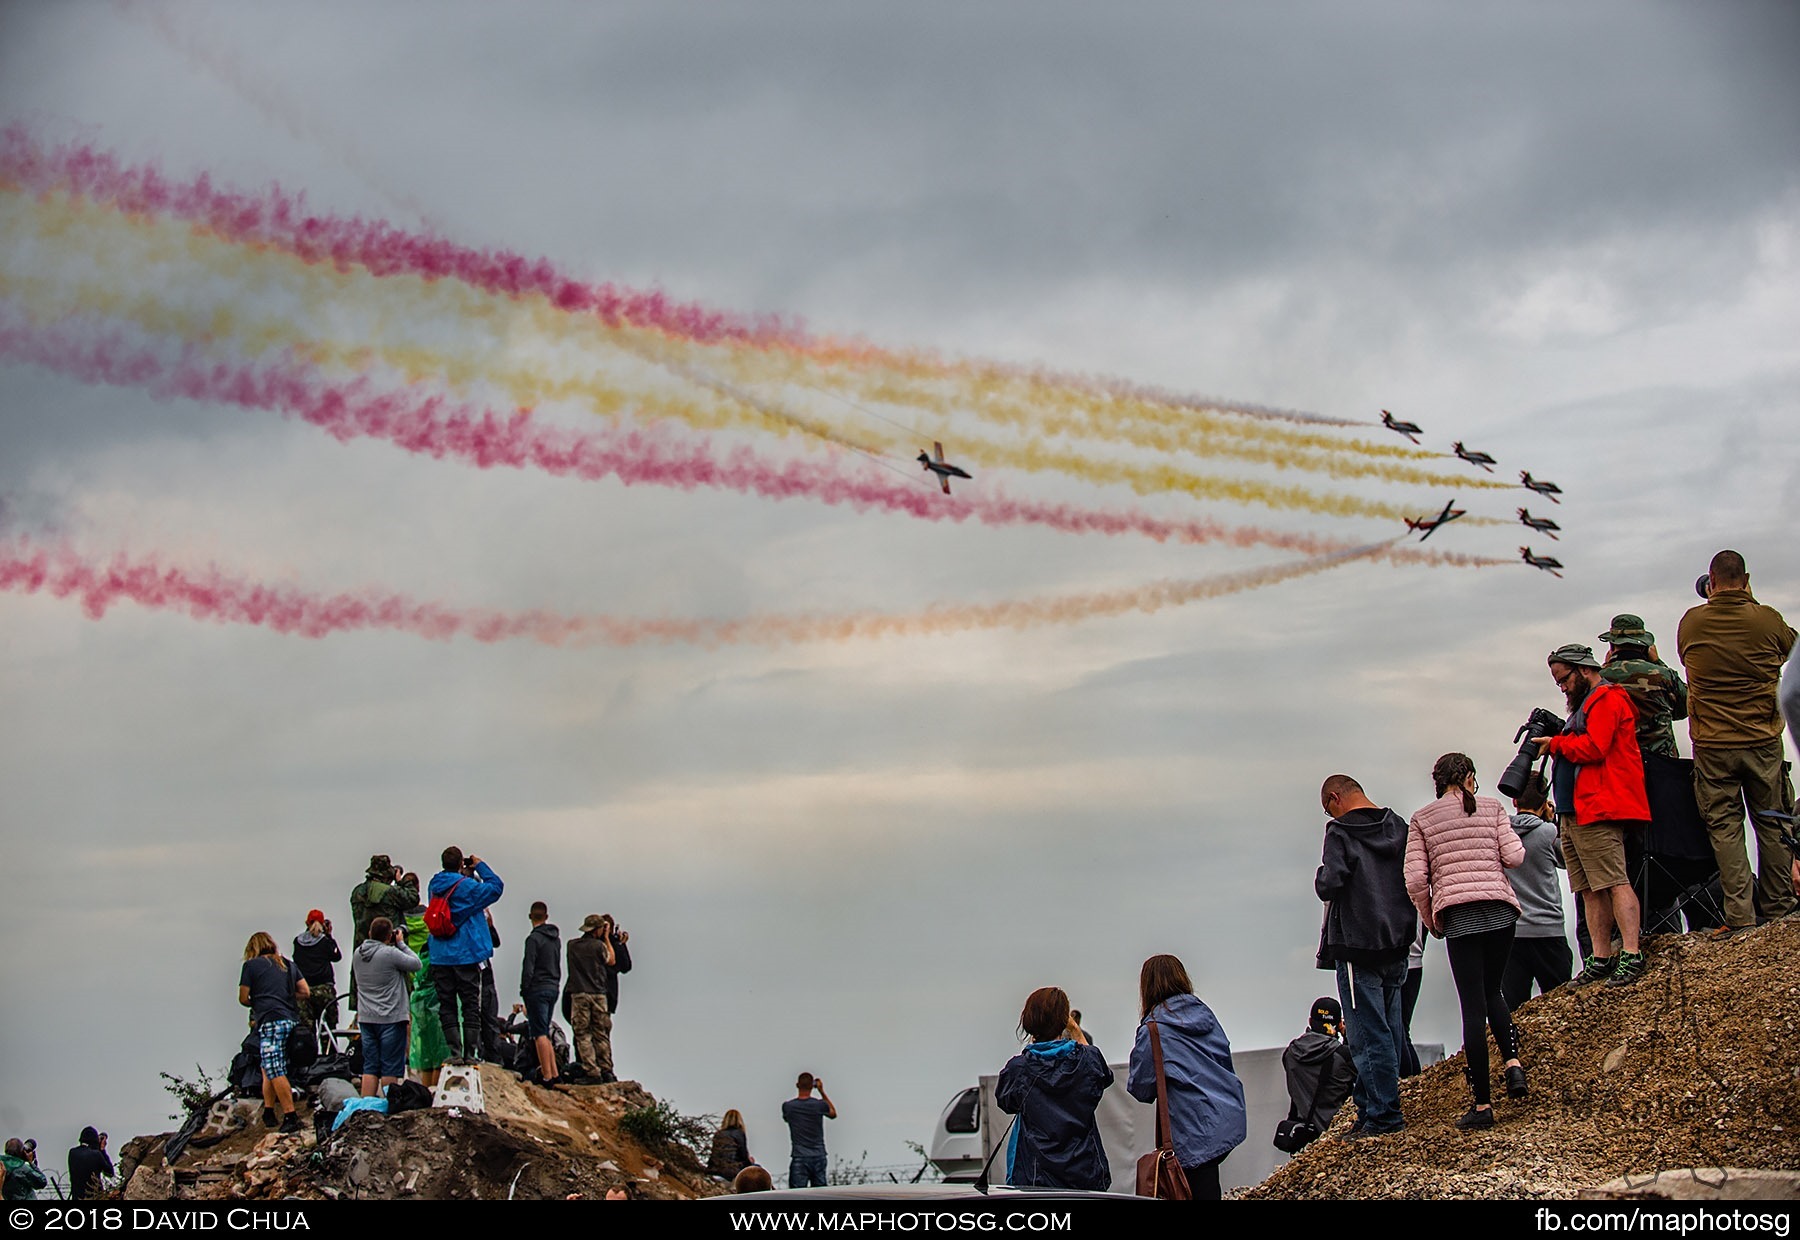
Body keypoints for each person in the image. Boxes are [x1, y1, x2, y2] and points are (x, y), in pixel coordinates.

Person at [1678, 550, 1798, 932]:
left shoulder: (1692, 623)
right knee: (1774, 823)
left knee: (1725, 828)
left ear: (1710, 583)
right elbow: (1794, 650)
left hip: (1713, 745)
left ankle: (1741, 917)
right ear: (1746, 579)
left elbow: (1686, 656)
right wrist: (1751, 604)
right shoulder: (1767, 619)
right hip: (1762, 739)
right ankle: (1779, 907)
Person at [1407, 753, 1528, 1129]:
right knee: (1495, 991)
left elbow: (1414, 881)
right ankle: (1514, 1065)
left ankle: (1482, 1106)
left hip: (1459, 919)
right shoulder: (1493, 808)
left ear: (1438, 782)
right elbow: (1515, 856)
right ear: (1470, 777)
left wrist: (1433, 920)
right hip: (1499, 912)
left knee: (1472, 1008)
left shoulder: (1423, 819)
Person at [1535, 644, 1652, 986]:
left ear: (1583, 670)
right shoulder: (1585, 705)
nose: (1562, 687)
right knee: (1588, 888)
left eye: (1564, 679)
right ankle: (1601, 956)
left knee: (1614, 880)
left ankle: (1631, 951)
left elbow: (1595, 747)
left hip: (1599, 806)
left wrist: (1555, 744)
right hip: (1575, 809)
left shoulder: (1607, 699)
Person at [1315, 774, 1416, 1137]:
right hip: (1397, 941)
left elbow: (1331, 882)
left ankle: (1385, 1116)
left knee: (1365, 1035)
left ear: (1335, 797)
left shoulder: (1340, 833)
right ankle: (1368, 1109)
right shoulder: (1398, 826)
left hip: (1358, 945)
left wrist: (1319, 876)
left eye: (1327, 806)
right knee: (1389, 1030)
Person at [1127, 955, 1246, 1200]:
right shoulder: (1206, 1014)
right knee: (1209, 1186)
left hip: (1192, 1128)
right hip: (1226, 1116)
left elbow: (1141, 1088)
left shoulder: (1153, 1029)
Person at [996, 987, 1112, 1191]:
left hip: (1035, 1180)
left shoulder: (1019, 1069)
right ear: (1063, 1020)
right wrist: (1075, 1029)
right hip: (1086, 1176)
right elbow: (1102, 1073)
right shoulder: (1087, 1061)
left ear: (1029, 1022)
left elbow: (1006, 1102)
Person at [1502, 772, 1575, 1011]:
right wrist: (1553, 822)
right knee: (1560, 1008)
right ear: (1545, 802)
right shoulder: (1548, 833)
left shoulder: (1502, 834)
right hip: (1548, 929)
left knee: (1514, 1009)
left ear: (1514, 800)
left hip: (1512, 932)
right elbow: (1567, 860)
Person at [426, 847, 504, 1064]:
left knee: (447, 1004)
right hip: (465, 953)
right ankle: (470, 1054)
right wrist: (479, 865)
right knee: (470, 1004)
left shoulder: (434, 885)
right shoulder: (468, 888)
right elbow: (496, 887)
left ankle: (454, 1053)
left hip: (440, 954)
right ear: (461, 863)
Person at [238, 931, 310, 1134]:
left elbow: (243, 998)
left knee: (275, 1069)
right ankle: (268, 1111)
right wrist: (284, 996)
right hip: (289, 1020)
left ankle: (290, 1115)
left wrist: (260, 1000)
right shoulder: (287, 964)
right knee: (267, 1065)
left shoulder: (250, 966)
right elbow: (305, 991)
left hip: (269, 1021)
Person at [1599, 614, 1689, 759]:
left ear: (1612, 645)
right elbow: (1684, 708)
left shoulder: (1599, 678)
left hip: (1617, 763)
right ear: (1645, 647)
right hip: (1662, 762)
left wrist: (1605, 666)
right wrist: (1658, 662)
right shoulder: (1663, 675)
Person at [351, 916, 422, 1098]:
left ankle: (366, 1107)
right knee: (390, 1066)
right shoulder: (389, 954)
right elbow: (416, 964)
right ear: (389, 935)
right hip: (391, 1017)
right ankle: (389, 1105)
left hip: (367, 1017)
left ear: (369, 933)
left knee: (370, 1067)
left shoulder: (358, 954)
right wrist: (401, 944)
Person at [1280, 998, 1357, 1139]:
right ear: (1339, 1024)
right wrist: (1348, 1037)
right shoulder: (1343, 1056)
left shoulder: (1290, 1053)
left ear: (1310, 1021)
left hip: (1303, 1133)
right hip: (1335, 1133)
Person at [348, 856, 418, 1012]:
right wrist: (401, 880)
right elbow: (413, 898)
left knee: (366, 1005)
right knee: (396, 1007)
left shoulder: (357, 893)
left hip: (363, 953)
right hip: (389, 953)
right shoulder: (390, 892)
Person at [401, 881, 450, 1089]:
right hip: (436, 997)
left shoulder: (401, 924)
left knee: (423, 1050)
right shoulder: (438, 946)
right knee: (439, 1050)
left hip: (414, 991)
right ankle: (435, 1092)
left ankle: (425, 1090)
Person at [565, 914, 619, 1083]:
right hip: (599, 994)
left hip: (579, 993)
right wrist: (607, 938)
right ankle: (606, 1069)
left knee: (582, 1033)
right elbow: (611, 960)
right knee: (600, 1033)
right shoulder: (599, 946)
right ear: (598, 930)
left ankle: (591, 1070)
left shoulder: (572, 945)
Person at [519, 901, 564, 1089]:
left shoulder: (533, 939)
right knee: (545, 1029)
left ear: (531, 917)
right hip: (553, 986)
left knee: (539, 1033)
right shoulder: (556, 939)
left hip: (537, 987)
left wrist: (524, 989)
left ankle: (547, 1076)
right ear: (546, 917)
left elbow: (528, 966)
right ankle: (554, 1072)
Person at [781, 1072, 839, 1190]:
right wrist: (822, 1091)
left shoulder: (789, 1106)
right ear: (812, 1086)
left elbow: (787, 1119)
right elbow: (833, 1113)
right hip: (818, 1153)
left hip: (799, 1155)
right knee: (820, 1195)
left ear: (797, 1085)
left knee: (796, 1195)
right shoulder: (819, 1105)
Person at [292, 910, 342, 1031]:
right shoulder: (325, 942)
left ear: (306, 923)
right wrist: (329, 935)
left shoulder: (298, 942)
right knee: (328, 1030)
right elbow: (337, 956)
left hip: (304, 990)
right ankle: (329, 1050)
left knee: (306, 1030)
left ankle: (309, 1050)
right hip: (324, 990)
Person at [67, 1127, 114, 1200]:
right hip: (94, 1196)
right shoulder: (96, 1155)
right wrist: (102, 1150)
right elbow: (110, 1172)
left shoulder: (72, 1153)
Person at [707, 1109, 754, 1180]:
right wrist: (750, 1163)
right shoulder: (739, 1133)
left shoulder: (718, 1134)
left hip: (714, 1170)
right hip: (731, 1172)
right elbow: (742, 1155)